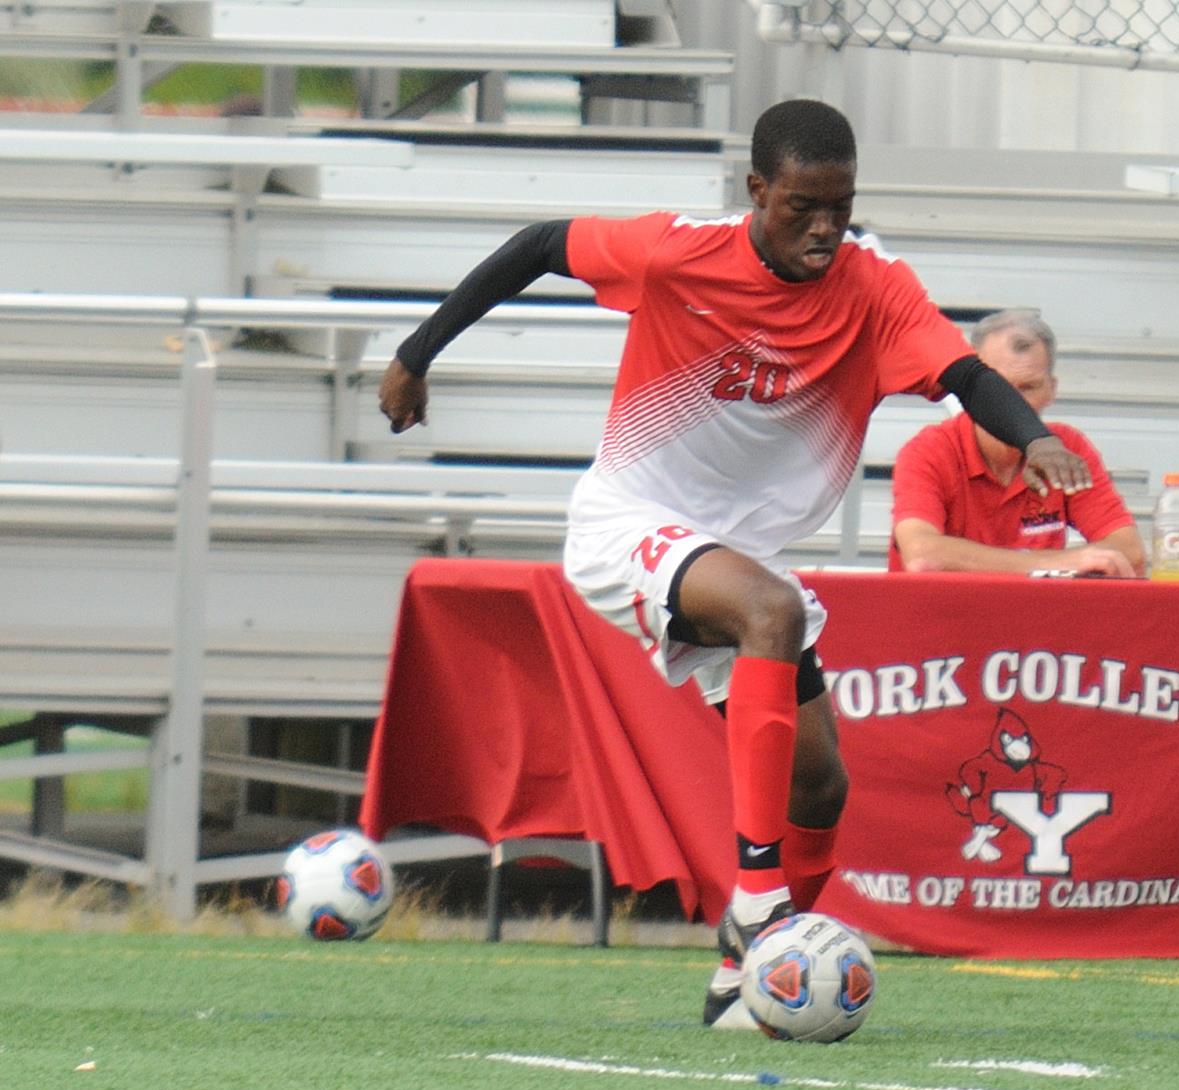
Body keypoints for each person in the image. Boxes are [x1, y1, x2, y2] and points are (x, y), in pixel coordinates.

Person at [376, 98, 1093, 1029]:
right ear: (757, 191)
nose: (826, 228)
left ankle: (737, 978)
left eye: (841, 206)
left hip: (729, 555)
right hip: (628, 523)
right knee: (770, 610)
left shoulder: (873, 283)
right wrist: (414, 355)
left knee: (822, 784)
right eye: (804, 207)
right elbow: (539, 243)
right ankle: (761, 907)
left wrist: (1031, 436)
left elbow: (965, 376)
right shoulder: (678, 251)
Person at [891, 309, 1143, 576]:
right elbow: (921, 553)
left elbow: (1130, 550)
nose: (1014, 405)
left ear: (1052, 389)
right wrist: (1055, 564)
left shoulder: (1068, 447)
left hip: (1035, 615)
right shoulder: (929, 450)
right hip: (943, 615)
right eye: (1000, 389)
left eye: (1029, 387)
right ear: (969, 392)